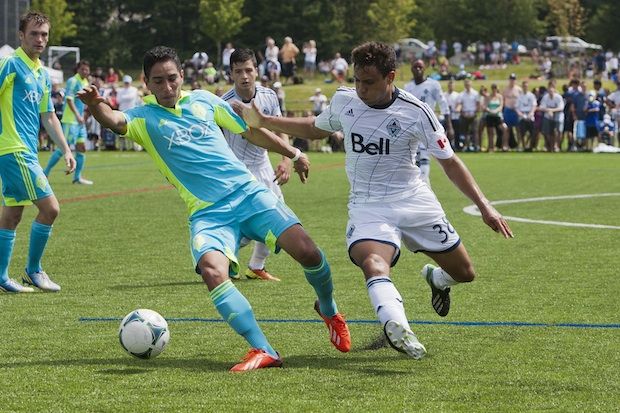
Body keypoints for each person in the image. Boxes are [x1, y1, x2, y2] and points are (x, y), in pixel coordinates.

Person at [233, 42, 513, 359]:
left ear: (390, 76)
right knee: (373, 263)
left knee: (465, 272)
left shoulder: (416, 112)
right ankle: (398, 328)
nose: (361, 89)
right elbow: (314, 127)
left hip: (414, 200)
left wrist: (484, 206)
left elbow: (449, 161)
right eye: (357, 81)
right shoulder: (344, 101)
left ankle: (436, 279)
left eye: (369, 82)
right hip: (368, 205)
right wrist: (266, 120)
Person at [77, 46, 350, 371]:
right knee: (212, 270)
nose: (167, 87)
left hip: (250, 194)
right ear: (146, 83)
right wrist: (96, 106)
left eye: (172, 78)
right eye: (158, 81)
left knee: (308, 252)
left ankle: (329, 309)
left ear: (183, 76)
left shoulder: (205, 100)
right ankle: (263, 349)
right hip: (209, 214)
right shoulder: (143, 118)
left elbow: (250, 131)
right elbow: (114, 119)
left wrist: (293, 153)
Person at [0, 11, 76, 293]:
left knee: (12, 215)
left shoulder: (42, 74)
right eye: (34, 33)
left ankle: (2, 277)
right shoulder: (9, 65)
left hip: (26, 151)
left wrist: (65, 148)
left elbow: (49, 116)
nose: (40, 39)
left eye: (44, 34)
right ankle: (33, 270)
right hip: (14, 148)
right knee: (50, 208)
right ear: (21, 35)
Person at [220, 48, 291, 281]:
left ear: (257, 71)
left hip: (264, 166)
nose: (244, 76)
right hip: (238, 171)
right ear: (231, 73)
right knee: (249, 226)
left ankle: (256, 266)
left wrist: (285, 160)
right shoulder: (223, 104)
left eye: (248, 70)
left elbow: (281, 129)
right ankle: (216, 259)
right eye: (238, 71)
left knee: (278, 217)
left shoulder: (269, 96)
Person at [43, 60, 93, 184]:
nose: (85, 71)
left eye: (87, 69)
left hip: (80, 122)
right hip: (70, 121)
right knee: (63, 148)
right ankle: (45, 174)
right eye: (82, 69)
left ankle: (77, 178)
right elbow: (69, 100)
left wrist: (85, 115)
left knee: (81, 148)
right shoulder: (73, 81)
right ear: (78, 69)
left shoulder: (86, 82)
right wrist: (77, 116)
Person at [404, 59, 453, 184]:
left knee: (426, 156)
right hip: (412, 127)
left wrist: (449, 125)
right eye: (415, 67)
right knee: (414, 159)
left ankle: (424, 184)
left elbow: (443, 104)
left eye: (420, 66)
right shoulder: (408, 87)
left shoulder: (433, 85)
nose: (418, 69)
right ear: (411, 69)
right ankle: (422, 185)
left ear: (425, 68)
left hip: (428, 126)